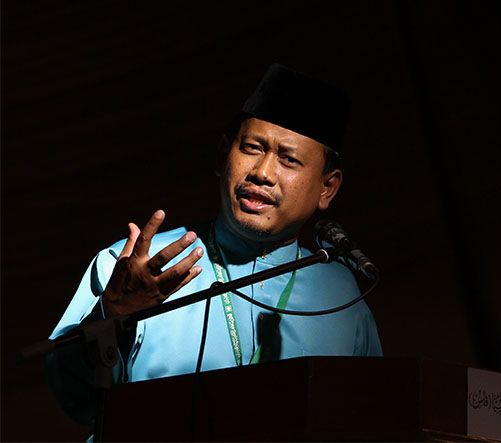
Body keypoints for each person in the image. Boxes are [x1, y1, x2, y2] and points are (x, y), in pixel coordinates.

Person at [46, 64, 382, 426]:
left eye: (289, 159)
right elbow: (73, 399)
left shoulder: (342, 296)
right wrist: (111, 317)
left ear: (326, 189)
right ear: (223, 156)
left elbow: (373, 419)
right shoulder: (132, 266)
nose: (262, 173)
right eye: (252, 148)